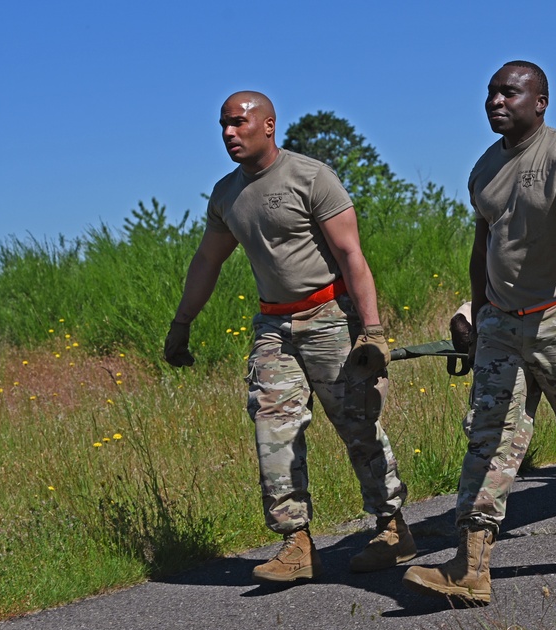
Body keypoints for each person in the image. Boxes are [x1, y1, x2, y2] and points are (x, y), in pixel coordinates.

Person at [401, 60, 556, 605]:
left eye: (509, 92)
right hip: (503, 327)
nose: (495, 101)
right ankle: (472, 564)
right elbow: (483, 246)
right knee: (489, 439)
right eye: (490, 93)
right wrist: (480, 315)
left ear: (541, 101)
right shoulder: (484, 169)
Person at [163, 91, 417, 583]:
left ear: (269, 125)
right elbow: (207, 261)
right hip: (273, 326)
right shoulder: (226, 194)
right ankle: (296, 543)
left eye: (238, 123)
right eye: (223, 126)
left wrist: (373, 330)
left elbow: (352, 255)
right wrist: (181, 323)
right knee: (272, 424)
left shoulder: (310, 177)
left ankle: (391, 527)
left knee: (356, 424)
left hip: (329, 317)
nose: (229, 134)